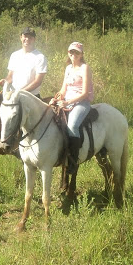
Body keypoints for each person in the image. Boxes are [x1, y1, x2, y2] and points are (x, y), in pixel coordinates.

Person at [51, 41, 93, 177]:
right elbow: (64, 89)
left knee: (72, 126)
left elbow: (85, 93)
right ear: (68, 53)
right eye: (71, 52)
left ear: (81, 54)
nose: (73, 54)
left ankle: (73, 161)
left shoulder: (84, 68)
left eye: (76, 52)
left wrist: (68, 101)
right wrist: (57, 98)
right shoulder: (68, 68)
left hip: (81, 102)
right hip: (66, 101)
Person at [1, 27, 48, 97]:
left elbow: (37, 82)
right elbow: (10, 76)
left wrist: (20, 92)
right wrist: (5, 81)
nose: (27, 39)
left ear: (34, 39)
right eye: (25, 36)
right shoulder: (14, 55)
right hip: (12, 94)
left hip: (30, 96)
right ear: (21, 38)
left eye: (30, 37)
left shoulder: (40, 57)